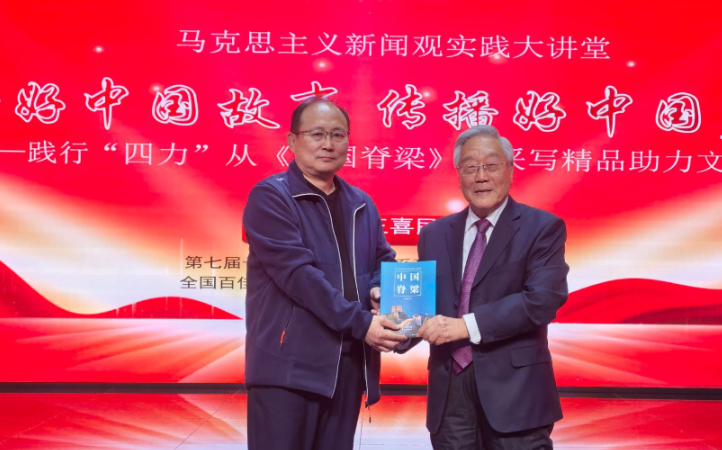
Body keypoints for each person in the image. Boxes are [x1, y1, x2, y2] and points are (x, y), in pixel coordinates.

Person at [243, 97, 407, 450]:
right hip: (287, 367)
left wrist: (379, 289)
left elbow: (383, 260)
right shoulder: (271, 197)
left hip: (347, 366)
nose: (328, 144)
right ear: (292, 141)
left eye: (338, 134)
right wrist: (363, 323)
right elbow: (298, 276)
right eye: (317, 134)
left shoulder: (361, 203)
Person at [411, 125, 570, 449]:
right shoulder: (434, 234)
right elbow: (425, 304)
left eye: (491, 165)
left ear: (510, 170)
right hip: (449, 390)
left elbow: (542, 300)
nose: (481, 176)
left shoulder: (543, 227)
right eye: (470, 167)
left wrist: (465, 326)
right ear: (459, 176)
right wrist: (393, 314)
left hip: (516, 391)